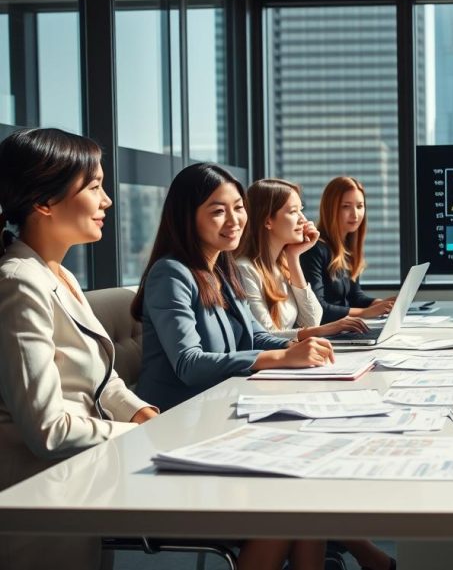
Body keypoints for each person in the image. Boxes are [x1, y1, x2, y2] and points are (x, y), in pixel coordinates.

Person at [132, 163, 332, 570]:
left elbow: (255, 337)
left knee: (309, 485)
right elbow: (189, 364)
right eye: (217, 210)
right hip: (179, 431)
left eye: (238, 207)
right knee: (289, 502)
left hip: (220, 416)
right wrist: (280, 356)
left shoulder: (219, 267)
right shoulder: (171, 273)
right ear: (187, 216)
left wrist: (304, 344)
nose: (235, 219)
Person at [0, 128, 158, 569]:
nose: (107, 200)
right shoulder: (18, 282)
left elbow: (98, 379)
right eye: (94, 187)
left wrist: (143, 413)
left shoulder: (58, 275)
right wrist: (144, 437)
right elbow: (46, 428)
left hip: (76, 484)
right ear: (44, 203)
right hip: (35, 501)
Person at [235, 178, 370, 340]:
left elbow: (312, 320)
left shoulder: (283, 266)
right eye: (293, 211)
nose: (303, 219)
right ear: (267, 220)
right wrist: (327, 329)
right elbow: (265, 336)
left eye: (301, 210)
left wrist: (293, 257)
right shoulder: (245, 269)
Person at [300, 176, 393, 322]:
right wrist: (365, 313)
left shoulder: (348, 246)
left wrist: (382, 304)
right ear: (331, 209)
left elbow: (355, 296)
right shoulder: (314, 249)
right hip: (328, 332)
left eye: (360, 206)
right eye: (346, 206)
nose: (355, 214)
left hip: (345, 327)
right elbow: (319, 308)